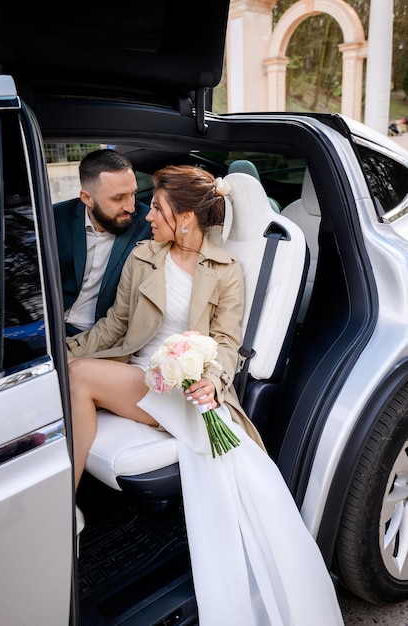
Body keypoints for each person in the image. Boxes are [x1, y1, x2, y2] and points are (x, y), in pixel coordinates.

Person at [66, 165, 344, 625]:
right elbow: (115, 326)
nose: (147, 215)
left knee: (79, 378)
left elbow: (227, 344)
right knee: (73, 368)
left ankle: (60, 512)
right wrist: (59, 352)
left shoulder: (227, 270)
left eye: (156, 207)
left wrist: (212, 381)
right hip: (139, 374)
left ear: (186, 217)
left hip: (182, 390)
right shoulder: (143, 256)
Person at [54, 148, 151, 336]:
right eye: (118, 198)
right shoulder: (53, 219)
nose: (131, 206)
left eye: (133, 194)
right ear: (87, 198)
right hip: (52, 330)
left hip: (107, 335)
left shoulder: (147, 222)